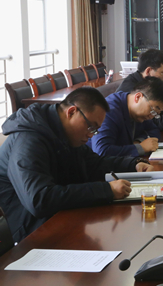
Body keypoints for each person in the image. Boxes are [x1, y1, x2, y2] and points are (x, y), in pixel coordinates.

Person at [0, 87, 153, 243]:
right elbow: (40, 199)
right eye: (91, 127)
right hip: (31, 234)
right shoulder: (28, 140)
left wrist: (133, 164)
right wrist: (106, 190)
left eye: (95, 130)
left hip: (61, 217)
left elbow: (94, 164)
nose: (91, 135)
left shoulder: (64, 133)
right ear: (72, 112)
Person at [88, 77, 163, 157]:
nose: (152, 116)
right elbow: (101, 151)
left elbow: (154, 130)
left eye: (156, 113)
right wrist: (140, 148)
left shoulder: (141, 113)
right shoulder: (109, 111)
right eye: (153, 110)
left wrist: (138, 141)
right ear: (138, 97)